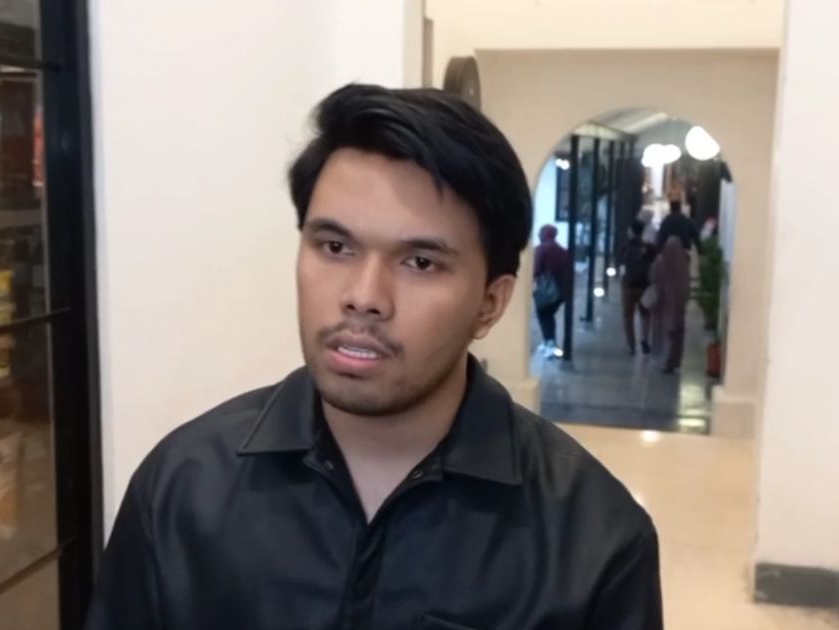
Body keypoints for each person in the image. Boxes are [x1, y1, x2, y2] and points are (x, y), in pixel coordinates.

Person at [85, 84, 662, 630]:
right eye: (335, 246)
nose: (363, 296)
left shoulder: (593, 539)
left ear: (490, 303)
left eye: (420, 263)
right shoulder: (183, 488)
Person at [650, 236, 691, 374]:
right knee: (676, 332)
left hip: (663, 305)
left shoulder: (660, 262)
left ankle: (664, 360)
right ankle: (673, 361)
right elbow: (686, 287)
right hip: (677, 306)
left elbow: (653, 279)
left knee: (664, 332)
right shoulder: (683, 265)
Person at [532, 224, 571, 357]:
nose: (538, 235)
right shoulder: (562, 250)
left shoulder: (541, 249)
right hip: (561, 291)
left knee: (543, 314)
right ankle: (549, 342)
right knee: (549, 315)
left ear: (544, 234)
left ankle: (549, 342)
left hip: (547, 290)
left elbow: (536, 270)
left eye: (540, 232)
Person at [620, 220, 655, 355]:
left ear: (632, 231)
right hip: (644, 286)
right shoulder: (649, 248)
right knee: (645, 314)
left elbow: (621, 263)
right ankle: (644, 339)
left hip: (628, 286)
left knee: (628, 317)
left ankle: (631, 346)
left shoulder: (625, 247)